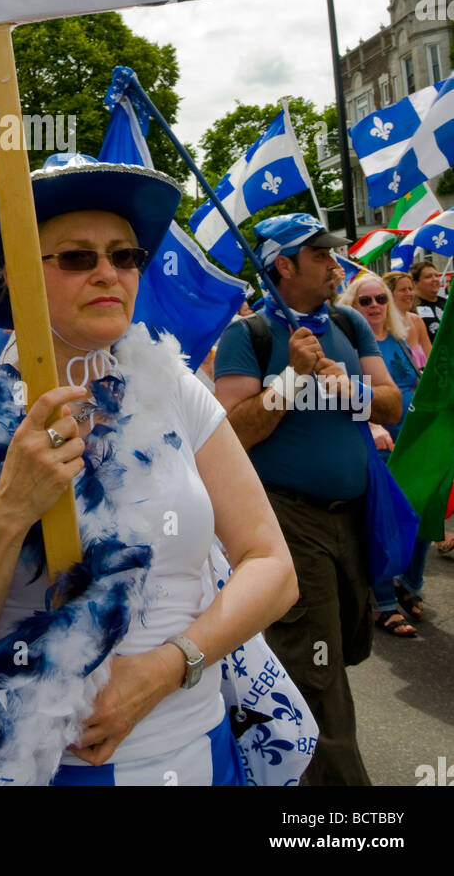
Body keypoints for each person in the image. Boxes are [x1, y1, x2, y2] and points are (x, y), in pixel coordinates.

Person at [0, 156, 297, 787]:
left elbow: (272, 565)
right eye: (78, 257)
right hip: (39, 770)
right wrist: (10, 507)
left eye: (126, 255)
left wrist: (169, 666)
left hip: (198, 752)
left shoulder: (178, 391)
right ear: (19, 275)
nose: (109, 272)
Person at [214, 213, 401, 786]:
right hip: (289, 520)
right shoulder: (249, 336)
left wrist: (355, 392)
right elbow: (234, 431)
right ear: (283, 267)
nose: (335, 264)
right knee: (317, 674)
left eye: (335, 253)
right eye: (320, 255)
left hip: (354, 519)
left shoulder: (346, 321)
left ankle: (274, 759)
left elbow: (393, 405)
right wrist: (292, 379)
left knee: (337, 655)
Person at [339, 273, 427, 637]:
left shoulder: (397, 338)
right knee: (384, 521)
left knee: (421, 514)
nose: (374, 306)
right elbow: (341, 393)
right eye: (365, 301)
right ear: (353, 307)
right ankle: (384, 603)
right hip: (376, 444)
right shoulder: (348, 343)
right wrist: (372, 426)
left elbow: (415, 384)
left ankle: (408, 583)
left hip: (412, 441)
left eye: (379, 299)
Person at [382, 271, 431, 368]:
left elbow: (431, 356)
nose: (409, 293)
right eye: (403, 290)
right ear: (389, 294)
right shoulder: (383, 324)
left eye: (410, 289)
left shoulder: (416, 320)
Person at [411, 261, 446, 343]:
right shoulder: (411, 307)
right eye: (428, 277)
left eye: (436, 276)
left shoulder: (447, 304)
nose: (435, 279)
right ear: (415, 282)